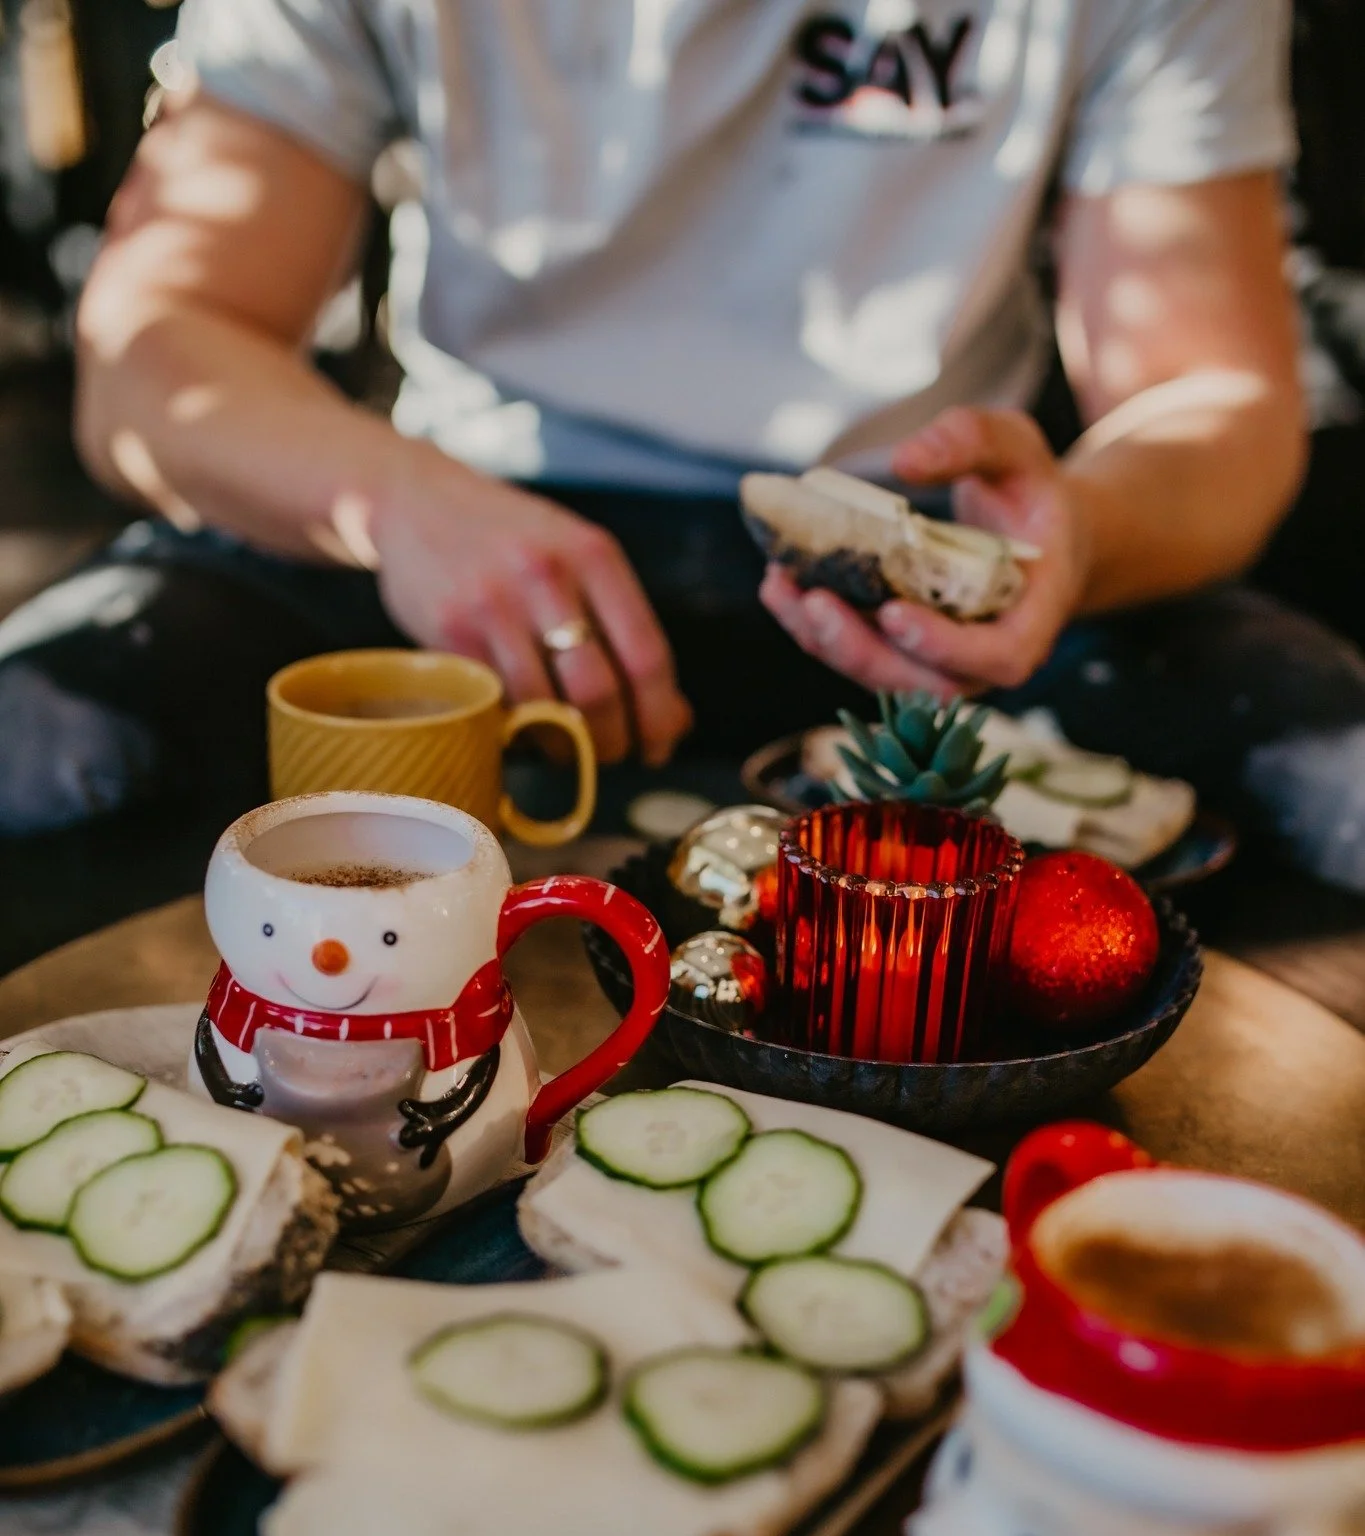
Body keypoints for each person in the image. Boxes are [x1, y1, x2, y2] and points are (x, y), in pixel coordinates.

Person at [2, 0, 1362, 890]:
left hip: (924, 572)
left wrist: (1085, 532)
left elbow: (1213, 396)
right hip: (469, 530)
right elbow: (151, 354)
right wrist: (394, 499)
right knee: (33, 742)